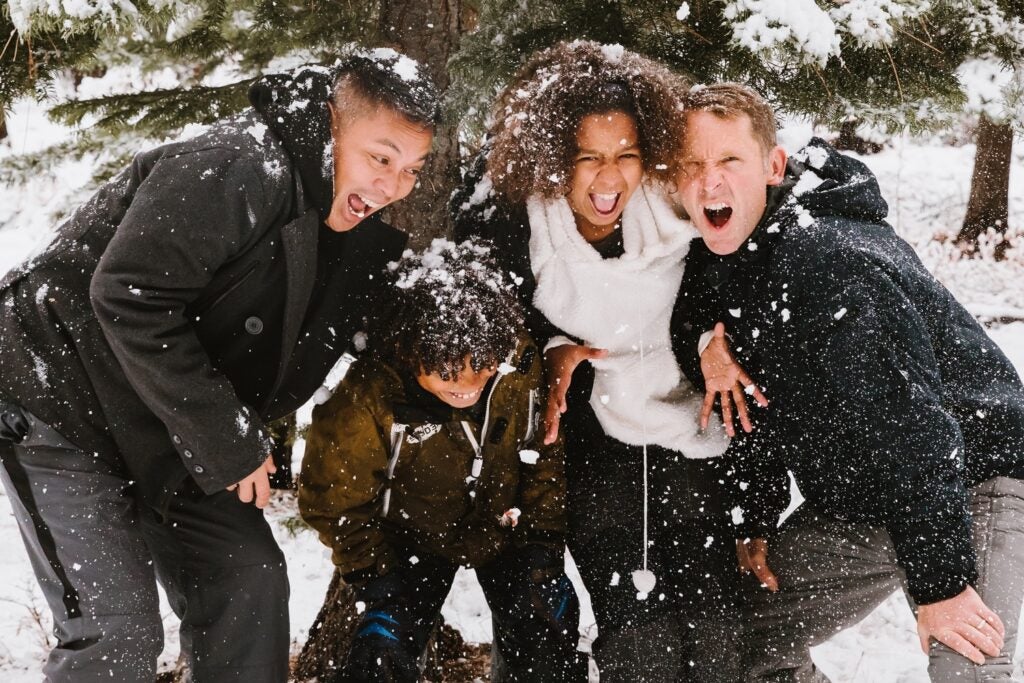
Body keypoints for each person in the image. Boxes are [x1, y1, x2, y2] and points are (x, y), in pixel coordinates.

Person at [0, 50, 439, 682]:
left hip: (167, 422)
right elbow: (127, 293)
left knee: (249, 585)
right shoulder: (239, 165)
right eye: (381, 158)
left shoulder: (340, 216)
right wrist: (229, 439)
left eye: (411, 170)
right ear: (332, 124)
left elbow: (373, 324)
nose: (394, 187)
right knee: (117, 636)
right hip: (63, 394)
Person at [670, 82, 1024, 681]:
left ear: (773, 166)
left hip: (970, 473)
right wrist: (755, 512)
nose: (710, 182)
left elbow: (912, 426)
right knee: (739, 646)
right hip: (861, 499)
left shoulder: (828, 262)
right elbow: (748, 398)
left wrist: (942, 585)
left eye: (729, 160)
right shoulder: (724, 256)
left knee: (968, 662)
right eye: (691, 165)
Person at [453, 41, 761, 681]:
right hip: (592, 446)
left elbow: (739, 257)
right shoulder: (512, 226)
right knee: (633, 631)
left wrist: (714, 337)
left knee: (715, 626)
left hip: (695, 430)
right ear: (550, 158)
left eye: (626, 156)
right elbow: (489, 321)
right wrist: (550, 348)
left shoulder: (673, 205)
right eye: (587, 158)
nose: (609, 179)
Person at [298, 239, 587, 682]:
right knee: (381, 654)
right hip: (408, 542)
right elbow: (332, 500)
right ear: (411, 347)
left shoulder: (518, 361)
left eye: (483, 364)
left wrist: (541, 549)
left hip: (503, 526)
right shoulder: (369, 395)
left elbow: (541, 452)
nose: (469, 382)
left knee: (545, 624)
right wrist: (375, 573)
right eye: (449, 368)